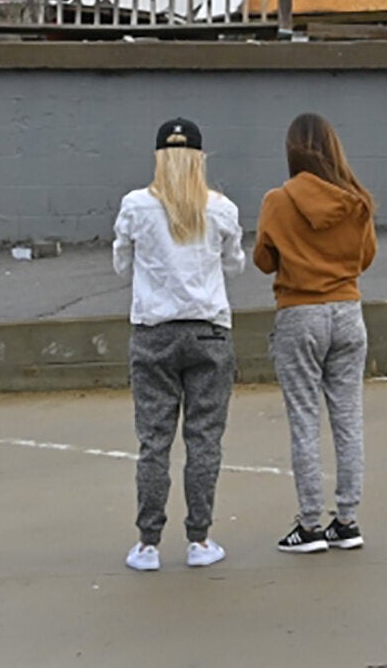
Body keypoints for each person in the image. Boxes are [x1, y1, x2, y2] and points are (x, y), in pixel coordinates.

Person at [113, 116, 245, 572]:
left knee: (154, 441)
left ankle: (148, 543)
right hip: (209, 330)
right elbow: (234, 267)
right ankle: (199, 539)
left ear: (158, 158)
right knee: (204, 439)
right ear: (199, 159)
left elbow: (120, 264)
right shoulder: (221, 208)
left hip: (154, 332)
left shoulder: (135, 205)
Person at [253, 112, 378, 554]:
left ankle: (308, 525)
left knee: (304, 420)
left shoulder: (277, 201)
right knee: (348, 418)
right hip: (347, 312)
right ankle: (346, 521)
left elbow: (264, 261)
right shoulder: (357, 201)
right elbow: (365, 258)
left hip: (299, 313)